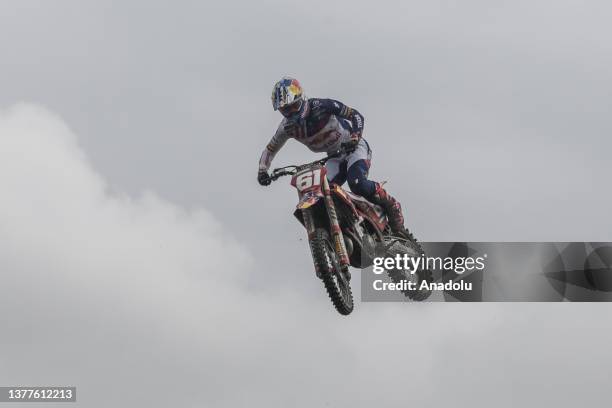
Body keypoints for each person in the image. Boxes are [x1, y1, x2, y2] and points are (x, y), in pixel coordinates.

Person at [258, 76, 412, 239]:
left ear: (301, 98)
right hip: (334, 157)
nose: (291, 113)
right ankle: (348, 228)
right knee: (322, 193)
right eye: (285, 110)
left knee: (357, 183)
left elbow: (356, 115)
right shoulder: (286, 128)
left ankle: (391, 205)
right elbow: (270, 149)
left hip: (354, 148)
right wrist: (262, 170)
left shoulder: (321, 106)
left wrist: (355, 136)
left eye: (293, 107)